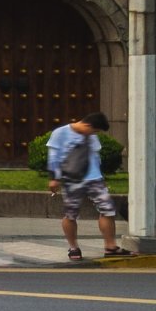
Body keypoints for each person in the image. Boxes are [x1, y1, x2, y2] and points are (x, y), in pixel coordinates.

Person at [46, 110, 119, 261]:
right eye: (94, 130)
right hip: (72, 179)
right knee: (71, 214)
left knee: (108, 210)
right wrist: (54, 178)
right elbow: (54, 157)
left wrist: (101, 178)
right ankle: (73, 247)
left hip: (94, 179)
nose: (94, 134)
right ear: (87, 124)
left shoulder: (91, 136)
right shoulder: (60, 133)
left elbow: (95, 157)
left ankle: (110, 246)